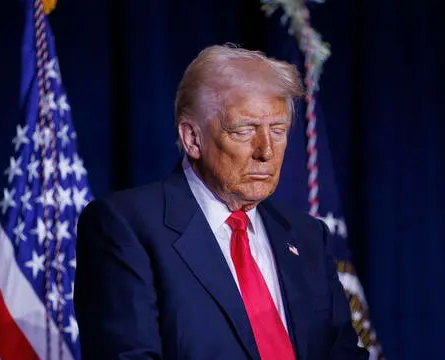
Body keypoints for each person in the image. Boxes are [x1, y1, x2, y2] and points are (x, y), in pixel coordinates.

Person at [74, 44, 369, 360]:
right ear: (192, 138)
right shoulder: (125, 225)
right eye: (244, 130)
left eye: (278, 130)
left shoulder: (308, 236)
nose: (266, 151)